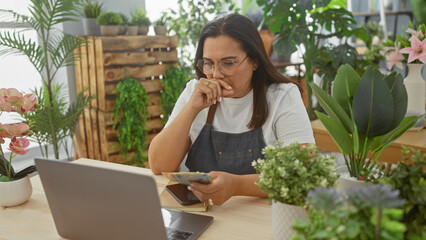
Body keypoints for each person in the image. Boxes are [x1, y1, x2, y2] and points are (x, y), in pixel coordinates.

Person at [148, 13, 314, 206]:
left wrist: (236, 185)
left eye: (228, 63)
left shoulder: (282, 96)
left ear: (254, 61)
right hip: (200, 214)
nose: (216, 74)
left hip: (258, 218)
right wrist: (191, 108)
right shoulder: (195, 91)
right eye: (208, 63)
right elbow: (159, 166)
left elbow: (302, 173)